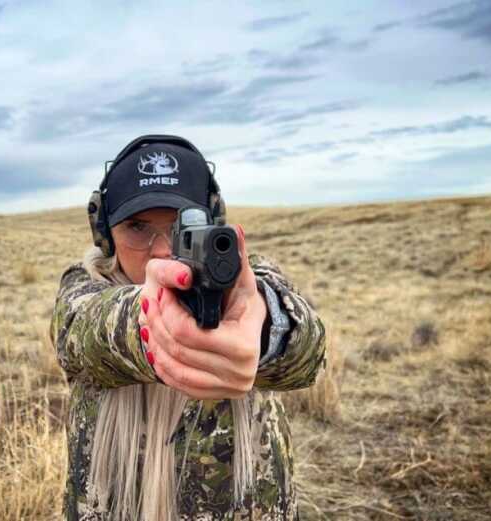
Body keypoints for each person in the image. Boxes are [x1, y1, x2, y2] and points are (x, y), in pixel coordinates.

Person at [49, 135, 326, 521]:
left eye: (183, 227)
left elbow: (307, 349)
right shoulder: (83, 287)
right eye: (137, 226)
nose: (162, 251)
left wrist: (264, 328)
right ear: (105, 233)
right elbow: (83, 328)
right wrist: (149, 320)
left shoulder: (250, 280)